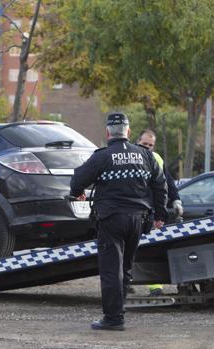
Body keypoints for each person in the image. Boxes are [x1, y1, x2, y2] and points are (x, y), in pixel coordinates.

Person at [70, 112, 167, 331]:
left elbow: (77, 181)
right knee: (126, 267)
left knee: (111, 269)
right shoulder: (145, 155)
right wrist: (160, 215)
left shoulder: (102, 156)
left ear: (107, 133)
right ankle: (118, 312)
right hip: (138, 220)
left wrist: (78, 193)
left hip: (111, 219)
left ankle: (114, 319)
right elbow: (161, 185)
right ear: (129, 132)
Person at [136, 129, 184, 296]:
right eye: (144, 144)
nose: (147, 148)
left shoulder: (157, 158)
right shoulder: (131, 157)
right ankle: (124, 281)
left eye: (150, 145)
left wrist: (176, 200)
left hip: (153, 212)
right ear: (137, 141)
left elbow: (168, 183)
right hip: (135, 211)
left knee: (153, 249)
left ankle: (155, 287)